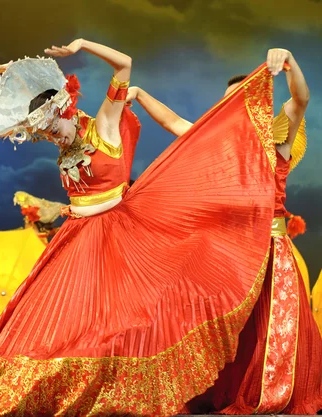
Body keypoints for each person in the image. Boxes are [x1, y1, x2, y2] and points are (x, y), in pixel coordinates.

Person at [0, 38, 278, 417]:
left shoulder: (104, 123)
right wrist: (16, 75)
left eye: (54, 127)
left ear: (68, 109)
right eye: (45, 134)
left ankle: (115, 396)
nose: (53, 137)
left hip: (121, 236)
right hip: (76, 238)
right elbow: (28, 115)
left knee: (124, 323)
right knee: (35, 319)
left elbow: (124, 66)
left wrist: (82, 45)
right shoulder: (62, 139)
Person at [127, 48, 322, 414]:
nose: (234, 109)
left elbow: (301, 98)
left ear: (259, 104)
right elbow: (172, 123)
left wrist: (291, 62)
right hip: (228, 254)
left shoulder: (276, 141)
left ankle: (269, 392)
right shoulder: (217, 146)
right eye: (227, 103)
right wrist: (137, 93)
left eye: (242, 99)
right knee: (222, 330)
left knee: (268, 332)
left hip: (269, 253)